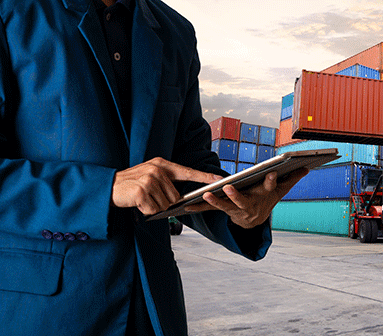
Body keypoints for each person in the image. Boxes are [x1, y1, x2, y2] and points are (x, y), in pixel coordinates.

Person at [0, 0, 307, 335]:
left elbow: (190, 166)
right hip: (46, 311)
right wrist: (103, 189)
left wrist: (241, 212)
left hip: (154, 309)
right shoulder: (11, 10)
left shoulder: (177, 32)